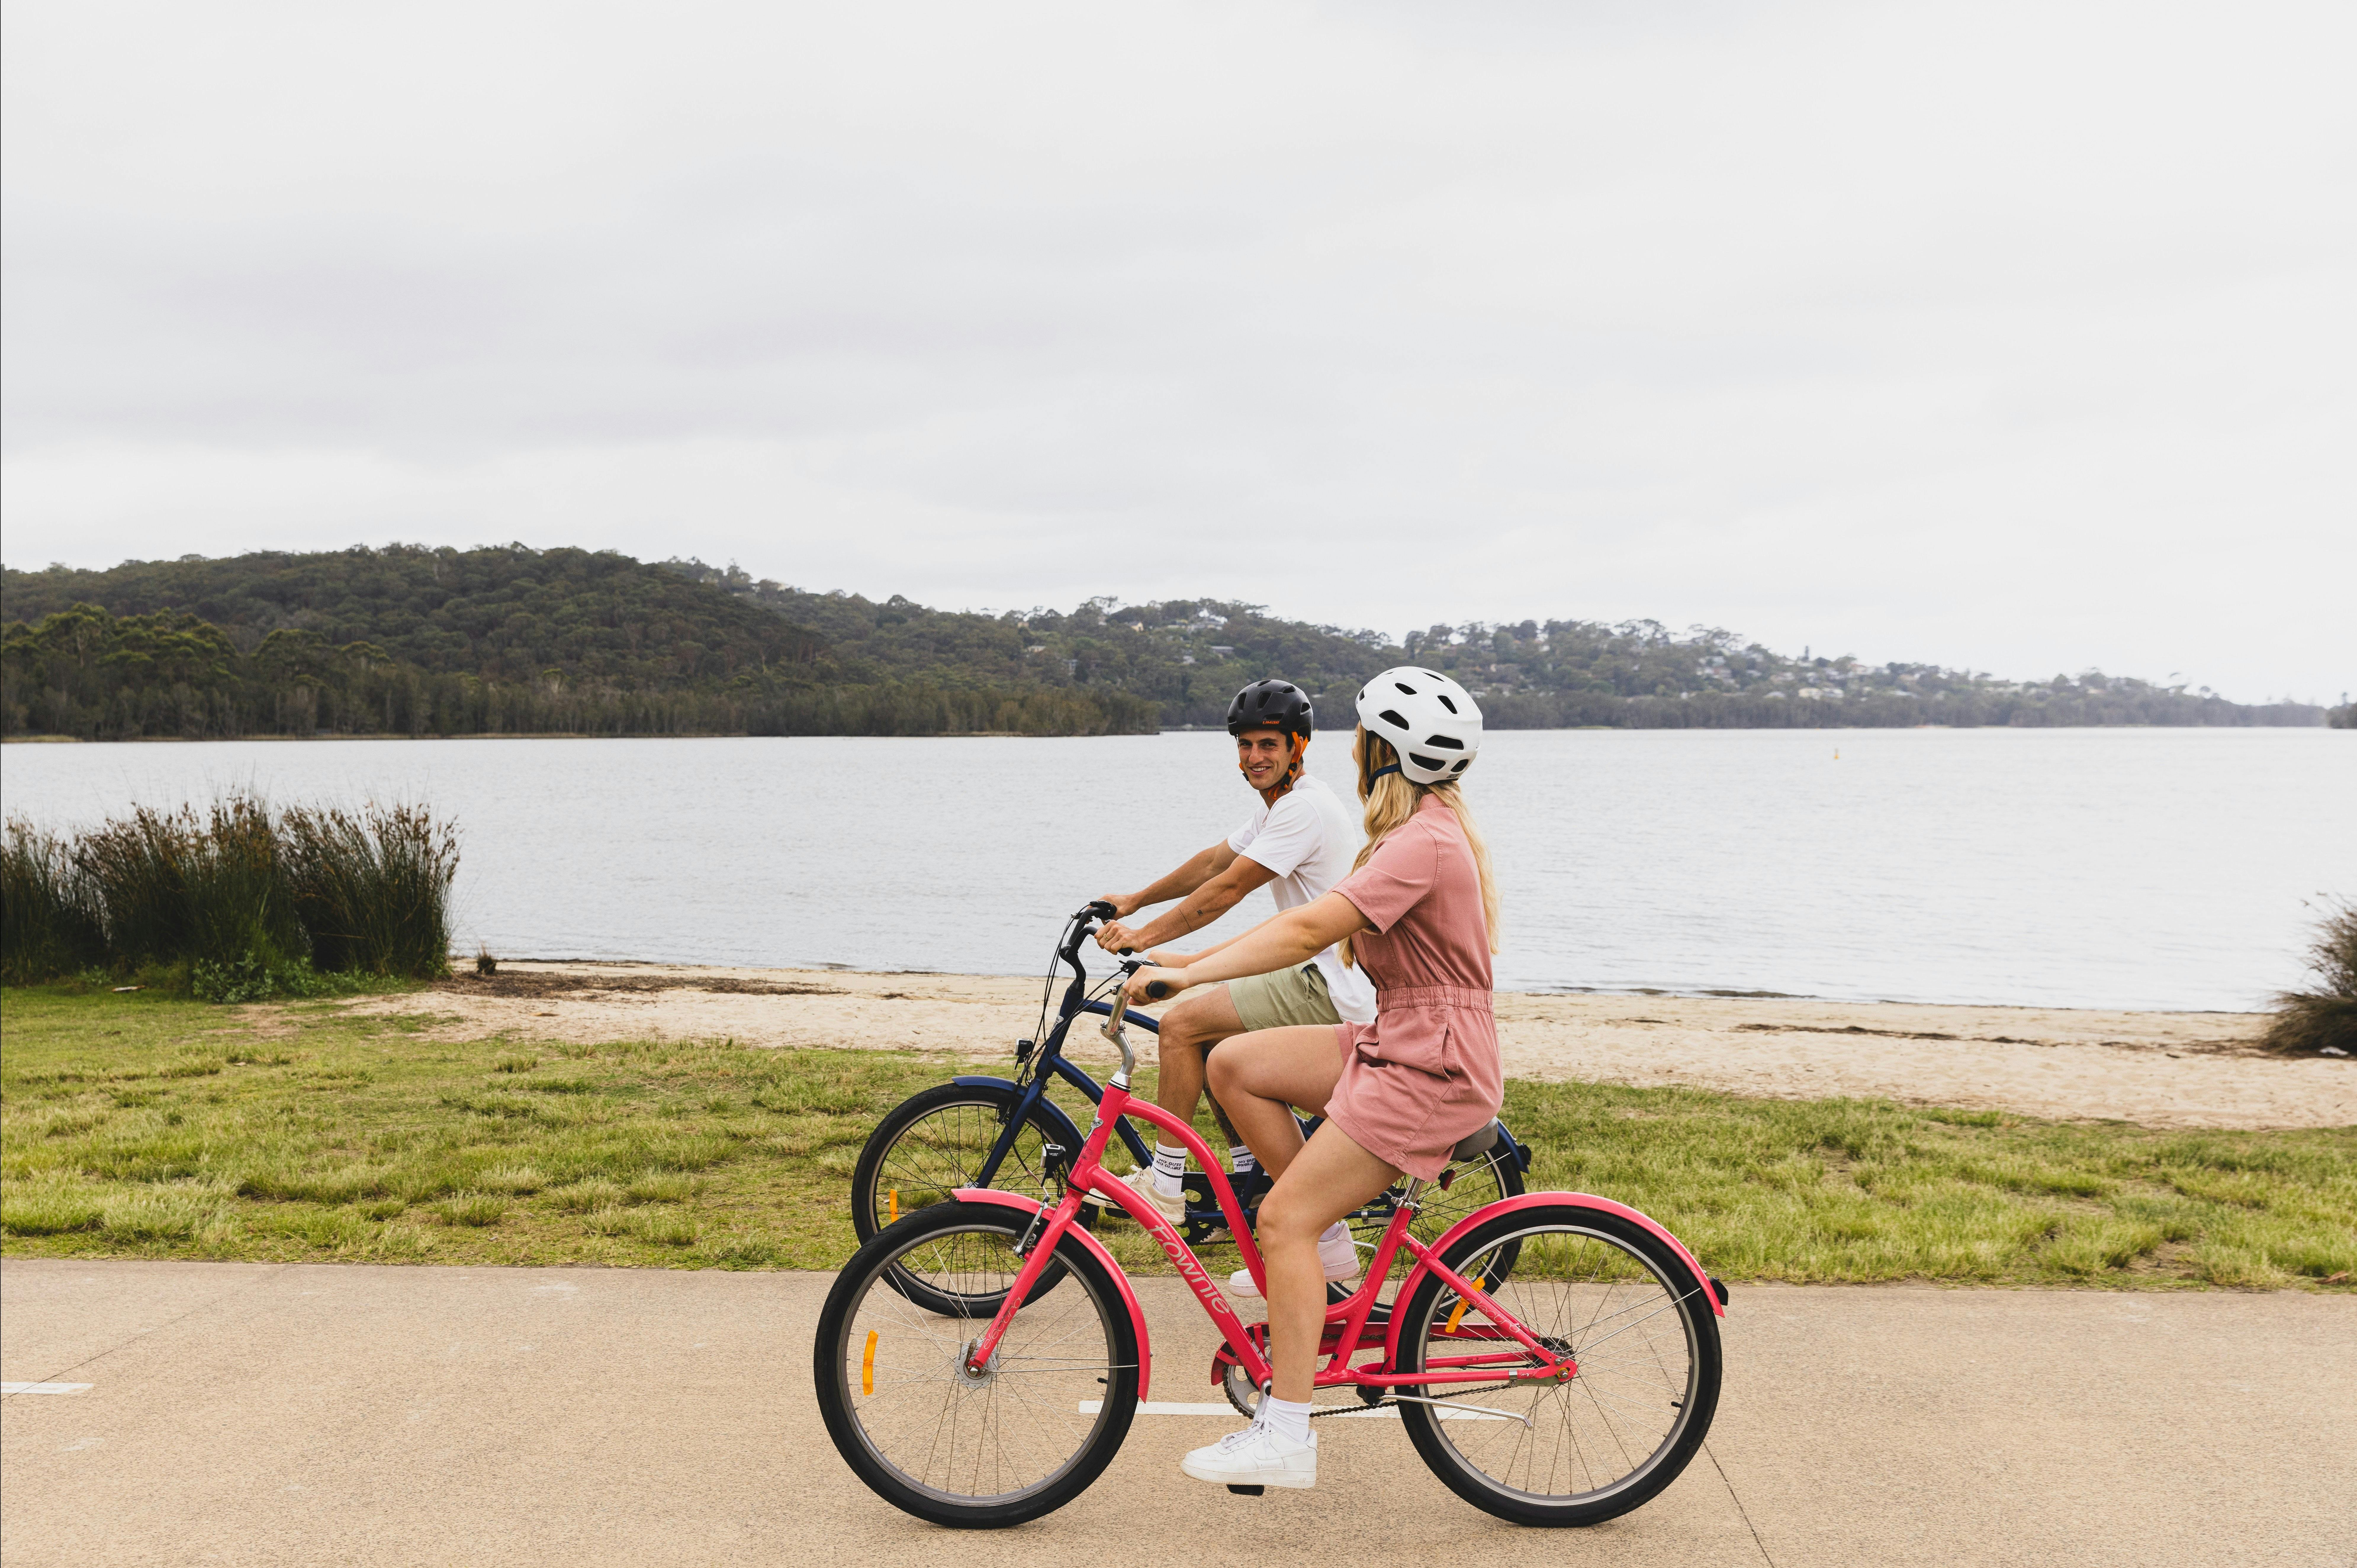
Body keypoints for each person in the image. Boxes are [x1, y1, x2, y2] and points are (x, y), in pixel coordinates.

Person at [1121, 666, 1500, 1491]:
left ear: (1380, 752)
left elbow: (1304, 928)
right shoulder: (1421, 831)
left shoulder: (1421, 843)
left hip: (1427, 1062)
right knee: (1231, 1062)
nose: (1355, 750)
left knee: (1281, 1221)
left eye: (1363, 739)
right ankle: (1328, 1251)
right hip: (1397, 1034)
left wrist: (1183, 975)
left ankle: (1287, 1431)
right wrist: (1185, 965)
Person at [1087, 678, 1377, 1223]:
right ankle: (1247, 1183)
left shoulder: (1302, 810)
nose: (1254, 756)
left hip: (1329, 981)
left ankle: (1165, 1185)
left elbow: (1228, 889)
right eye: (1245, 745)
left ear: (1298, 746)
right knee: (1213, 1041)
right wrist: (1134, 901)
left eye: (1268, 744)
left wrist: (1145, 938)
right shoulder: (1279, 808)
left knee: (1181, 1026)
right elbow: (1211, 863)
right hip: (1309, 970)